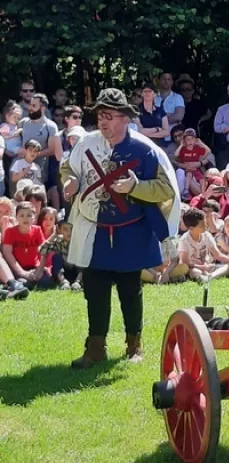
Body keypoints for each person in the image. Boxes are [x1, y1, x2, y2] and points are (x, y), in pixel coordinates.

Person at [60, 88, 181, 367]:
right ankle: (95, 347)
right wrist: (70, 182)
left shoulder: (145, 150)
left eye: (109, 116)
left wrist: (135, 186)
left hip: (132, 231)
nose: (103, 122)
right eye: (100, 116)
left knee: (130, 289)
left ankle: (134, 346)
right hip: (95, 231)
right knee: (95, 288)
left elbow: (165, 189)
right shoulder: (85, 144)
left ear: (125, 118)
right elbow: (69, 169)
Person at [18, 93, 61, 208]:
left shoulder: (50, 126)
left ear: (42, 108)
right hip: (21, 170)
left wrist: (32, 155)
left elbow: (52, 149)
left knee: (38, 204)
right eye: (30, 105)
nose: (29, 108)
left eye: (33, 105)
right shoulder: (24, 123)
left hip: (40, 172)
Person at [179, 208, 229, 282]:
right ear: (191, 228)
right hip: (195, 267)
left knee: (228, 266)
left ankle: (210, 277)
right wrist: (202, 267)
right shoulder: (184, 240)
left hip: (208, 266)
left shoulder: (207, 235)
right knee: (195, 272)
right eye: (202, 225)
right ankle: (204, 276)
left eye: (205, 222)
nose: (206, 225)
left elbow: (217, 255)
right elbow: (185, 263)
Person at [2, 201, 47, 287]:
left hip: (34, 267)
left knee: (46, 281)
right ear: (16, 217)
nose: (25, 218)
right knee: (24, 282)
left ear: (34, 217)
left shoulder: (37, 230)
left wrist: (40, 270)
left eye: (29, 215)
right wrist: (22, 272)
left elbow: (44, 250)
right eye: (21, 215)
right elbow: (7, 253)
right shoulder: (10, 232)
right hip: (17, 267)